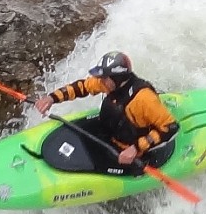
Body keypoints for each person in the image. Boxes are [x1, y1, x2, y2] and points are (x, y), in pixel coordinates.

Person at [33, 51, 179, 169]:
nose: (100, 81)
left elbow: (170, 127)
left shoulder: (144, 98)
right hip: (108, 136)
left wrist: (136, 148)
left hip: (130, 152)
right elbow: (81, 87)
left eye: (104, 78)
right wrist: (52, 98)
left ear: (118, 77)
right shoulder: (109, 83)